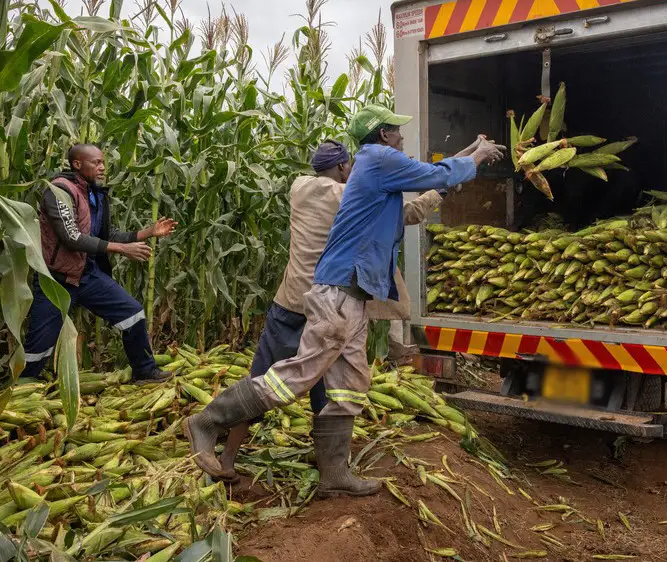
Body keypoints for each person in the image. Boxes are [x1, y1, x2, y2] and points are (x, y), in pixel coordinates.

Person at [184, 104, 504, 497]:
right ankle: (208, 421)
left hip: (355, 295)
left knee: (350, 384)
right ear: (383, 135)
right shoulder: (378, 159)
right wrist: (475, 159)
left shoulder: (374, 167)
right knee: (297, 377)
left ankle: (334, 475)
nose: (402, 138)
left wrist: (468, 151)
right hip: (337, 292)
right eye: (397, 131)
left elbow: (427, 175)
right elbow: (431, 178)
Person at [217, 138, 469, 480]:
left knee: (263, 377)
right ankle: (330, 469)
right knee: (331, 390)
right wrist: (442, 187)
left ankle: (228, 459)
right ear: (340, 168)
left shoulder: (299, 188)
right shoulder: (348, 197)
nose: (354, 171)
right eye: (350, 166)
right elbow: (407, 214)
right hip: (329, 304)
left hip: (289, 303)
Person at [24, 144, 176, 382]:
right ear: (77, 164)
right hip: (56, 280)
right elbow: (71, 237)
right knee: (39, 346)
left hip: (86, 275)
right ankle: (22, 385)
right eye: (96, 163)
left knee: (132, 313)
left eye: (103, 162)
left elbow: (105, 234)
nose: (103, 167)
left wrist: (148, 232)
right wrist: (122, 249)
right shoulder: (59, 191)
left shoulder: (94, 194)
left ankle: (144, 371)